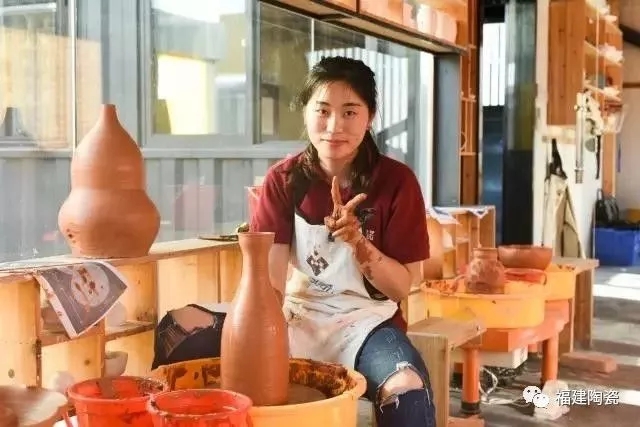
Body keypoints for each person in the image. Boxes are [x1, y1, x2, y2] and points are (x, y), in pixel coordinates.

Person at [152, 56, 435, 427]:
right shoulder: (283, 180)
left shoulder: (397, 182)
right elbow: (270, 285)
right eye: (323, 111)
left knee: (406, 387)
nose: (334, 126)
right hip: (294, 315)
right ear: (305, 112)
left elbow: (400, 287)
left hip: (365, 324)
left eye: (350, 112)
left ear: (370, 117)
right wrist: (260, 332)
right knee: (177, 329)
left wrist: (359, 244)